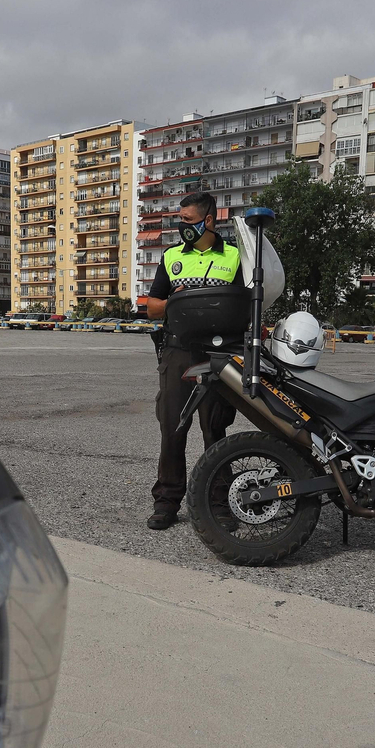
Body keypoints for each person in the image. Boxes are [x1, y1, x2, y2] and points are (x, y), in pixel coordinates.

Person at [144, 191, 242, 531]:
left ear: (209, 220)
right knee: (173, 427)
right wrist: (176, 299)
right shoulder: (172, 256)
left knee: (215, 428)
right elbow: (152, 306)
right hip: (178, 351)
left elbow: (247, 303)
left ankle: (219, 504)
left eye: (186, 220)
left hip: (217, 354)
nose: (180, 225)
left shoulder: (235, 256)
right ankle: (166, 502)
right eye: (180, 219)